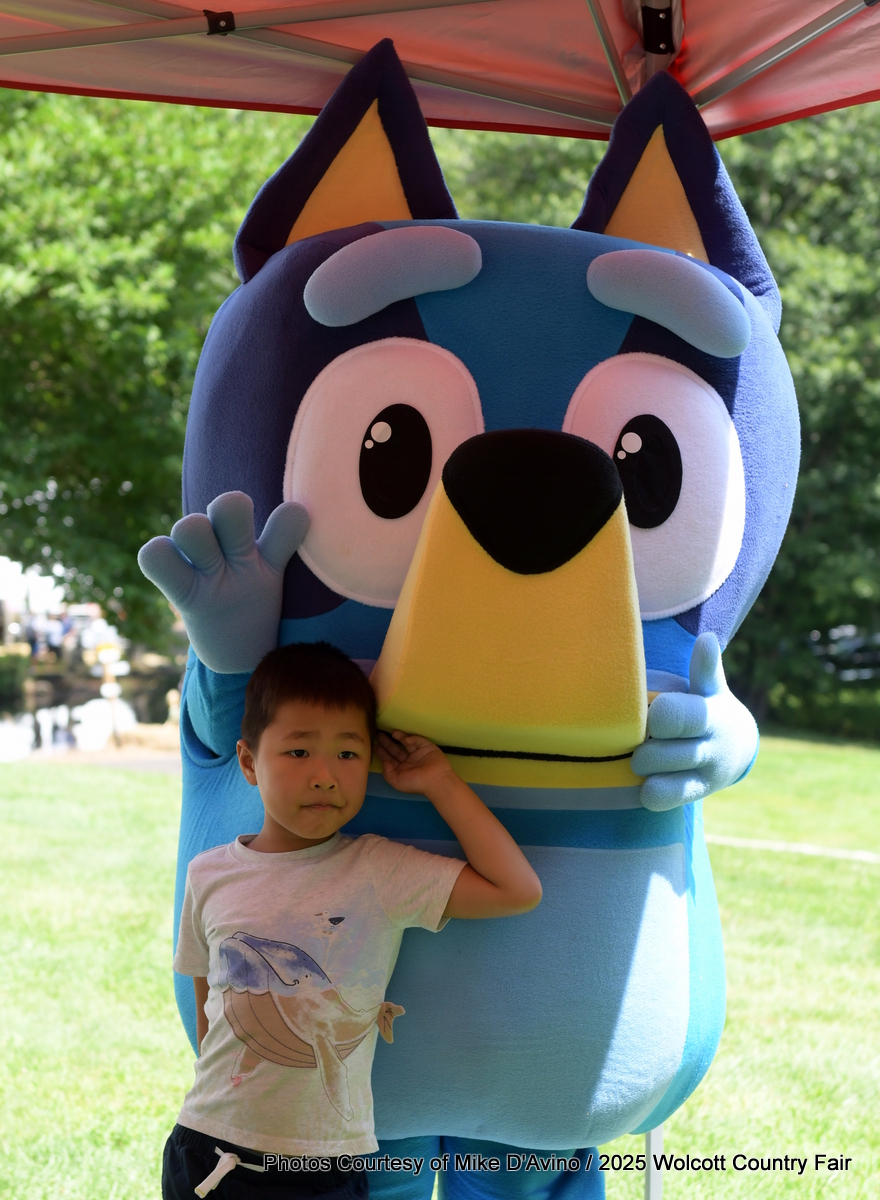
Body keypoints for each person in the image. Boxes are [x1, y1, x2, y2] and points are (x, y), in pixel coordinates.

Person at [162, 641, 542, 1200]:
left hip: (326, 1169)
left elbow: (518, 890)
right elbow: (211, 1013)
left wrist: (440, 781)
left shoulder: (379, 870)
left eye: (346, 753)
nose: (324, 775)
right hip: (208, 1151)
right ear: (248, 762)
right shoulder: (209, 874)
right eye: (298, 752)